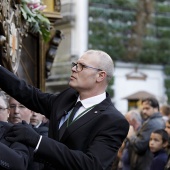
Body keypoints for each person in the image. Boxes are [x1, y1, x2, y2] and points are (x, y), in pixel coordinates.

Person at [0, 50, 129, 170]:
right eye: (75, 64)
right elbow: (31, 95)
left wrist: (38, 141)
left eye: (81, 66)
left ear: (100, 76)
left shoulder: (113, 120)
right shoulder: (67, 97)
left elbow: (92, 164)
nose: (73, 69)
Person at [127, 97, 165, 170]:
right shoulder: (156, 121)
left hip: (145, 164)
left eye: (147, 108)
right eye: (143, 108)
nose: (144, 111)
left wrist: (131, 136)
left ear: (156, 108)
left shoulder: (152, 123)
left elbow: (140, 146)